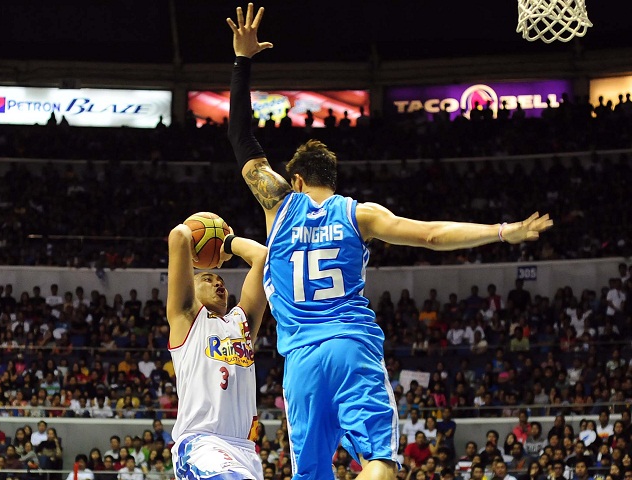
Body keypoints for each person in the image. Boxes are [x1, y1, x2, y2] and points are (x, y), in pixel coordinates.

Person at [226, 4, 553, 480]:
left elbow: (240, 136)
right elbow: (432, 235)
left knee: (310, 473)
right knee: (379, 460)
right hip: (351, 346)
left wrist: (242, 61)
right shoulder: (360, 214)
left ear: (294, 180)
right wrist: (504, 231)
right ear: (331, 180)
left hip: (300, 362)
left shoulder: (277, 203)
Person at [166, 221, 267, 480]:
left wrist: (230, 243)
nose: (218, 284)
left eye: (220, 280)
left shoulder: (241, 324)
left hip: (246, 451)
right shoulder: (186, 317)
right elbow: (179, 235)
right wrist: (204, 238)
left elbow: (262, 257)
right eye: (208, 279)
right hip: (202, 444)